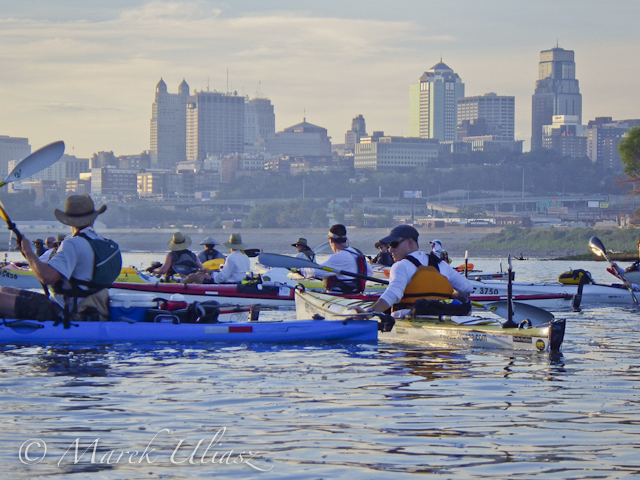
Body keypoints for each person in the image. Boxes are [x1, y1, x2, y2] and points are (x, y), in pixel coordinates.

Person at [0, 194, 122, 321]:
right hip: (90, 307)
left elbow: (46, 277)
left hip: (65, 310)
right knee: (6, 289)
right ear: (93, 218)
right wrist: (27, 254)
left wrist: (29, 251)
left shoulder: (73, 243)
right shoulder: (106, 244)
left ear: (67, 221)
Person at [365, 225, 473, 314]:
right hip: (443, 317)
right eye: (389, 246)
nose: (390, 250)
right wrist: (449, 296)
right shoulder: (441, 264)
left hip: (410, 321)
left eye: (394, 244)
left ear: (410, 242)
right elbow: (467, 288)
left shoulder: (401, 266)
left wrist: (369, 312)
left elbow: (393, 294)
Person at [300, 224, 372, 294]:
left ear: (331, 240)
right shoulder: (357, 252)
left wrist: (300, 270)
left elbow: (315, 272)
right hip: (357, 293)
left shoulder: (339, 256)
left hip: (341, 294)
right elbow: (369, 272)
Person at [187, 233, 251, 284]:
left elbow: (222, 277)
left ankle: (181, 289)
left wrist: (211, 273)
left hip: (229, 283)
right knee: (199, 274)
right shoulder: (245, 256)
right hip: (239, 281)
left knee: (192, 276)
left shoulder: (231, 257)